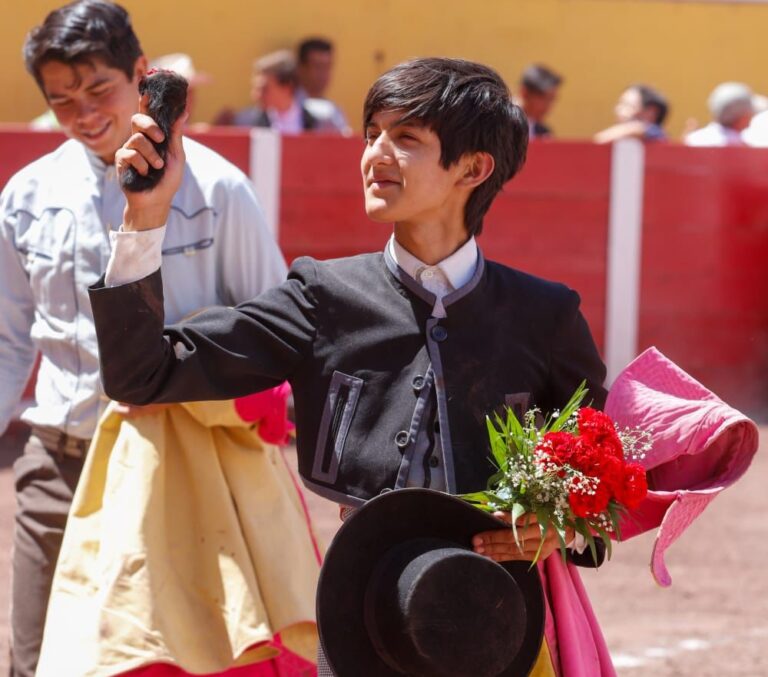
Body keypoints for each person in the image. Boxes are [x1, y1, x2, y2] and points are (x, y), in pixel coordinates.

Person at [89, 57, 609, 673]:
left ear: (473, 168)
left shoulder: (543, 314)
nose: (374, 155)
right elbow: (144, 374)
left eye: (405, 139)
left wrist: (565, 530)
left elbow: (597, 467)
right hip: (369, 611)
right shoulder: (322, 295)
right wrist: (146, 216)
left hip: (500, 619)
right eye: (371, 135)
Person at [0, 2, 288, 675]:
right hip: (59, 460)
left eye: (99, 88)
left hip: (176, 466)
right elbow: (10, 336)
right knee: (36, 658)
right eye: (62, 99)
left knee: (170, 658)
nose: (84, 113)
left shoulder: (219, 189)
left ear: (141, 74)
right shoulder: (27, 195)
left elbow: (273, 322)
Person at [216, 49, 340, 134]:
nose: (256, 96)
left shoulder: (322, 120)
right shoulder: (244, 122)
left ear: (287, 87)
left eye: (264, 89)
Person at [296, 37, 350, 134]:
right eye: (318, 67)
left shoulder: (334, 111)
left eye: (327, 67)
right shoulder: (287, 108)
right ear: (301, 68)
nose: (323, 73)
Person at [684, 82, 755, 146]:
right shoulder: (741, 145)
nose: (751, 116)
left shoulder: (692, 139)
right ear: (742, 117)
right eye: (749, 113)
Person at [594, 83, 669, 144]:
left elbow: (636, 129)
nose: (618, 109)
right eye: (620, 104)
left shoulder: (655, 133)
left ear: (650, 112)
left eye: (627, 105)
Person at [516, 63, 562, 139]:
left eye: (551, 100)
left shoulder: (543, 133)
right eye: (544, 99)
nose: (548, 106)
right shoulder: (498, 123)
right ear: (524, 93)